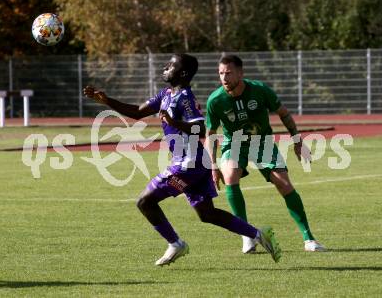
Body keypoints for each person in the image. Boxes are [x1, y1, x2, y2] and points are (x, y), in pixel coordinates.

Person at [83, 53, 282, 266]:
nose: (165, 67)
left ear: (183, 73)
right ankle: (259, 234)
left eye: (171, 65)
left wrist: (175, 123)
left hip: (188, 165)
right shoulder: (166, 94)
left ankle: (176, 244)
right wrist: (106, 101)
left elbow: (201, 128)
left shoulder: (185, 97)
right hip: (195, 164)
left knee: (145, 202)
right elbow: (137, 112)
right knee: (207, 213)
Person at [205, 54, 326, 254]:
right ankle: (246, 236)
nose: (224, 78)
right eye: (220, 73)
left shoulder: (260, 90)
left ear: (241, 74)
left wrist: (297, 141)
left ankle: (309, 239)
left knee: (284, 185)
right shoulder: (215, 100)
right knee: (230, 175)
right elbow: (210, 134)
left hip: (262, 142)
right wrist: (213, 165)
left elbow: (284, 114)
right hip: (234, 144)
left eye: (228, 73)